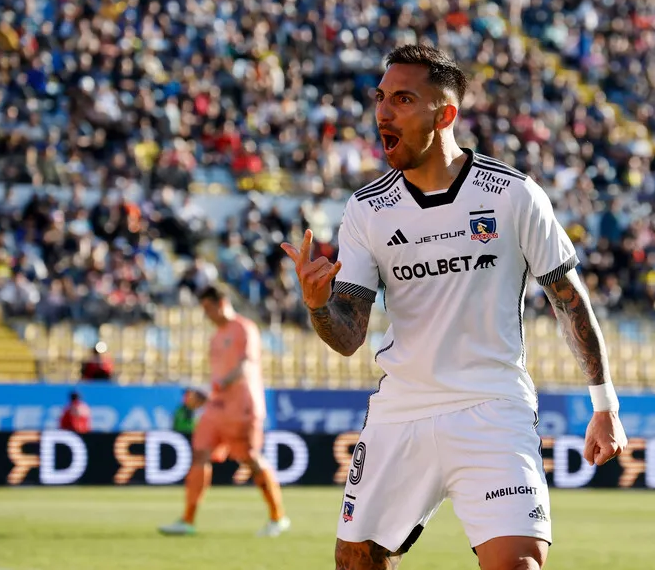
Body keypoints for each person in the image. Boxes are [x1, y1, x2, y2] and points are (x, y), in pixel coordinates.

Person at [281, 44, 628, 570]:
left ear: (444, 115)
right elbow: (348, 336)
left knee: (519, 566)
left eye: (402, 99)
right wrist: (317, 304)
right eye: (380, 97)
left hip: (493, 407)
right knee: (355, 563)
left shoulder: (513, 195)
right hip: (403, 410)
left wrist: (605, 406)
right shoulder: (367, 210)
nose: (383, 112)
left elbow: (569, 300)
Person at [158, 285, 289, 537]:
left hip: (243, 405)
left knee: (250, 458)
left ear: (221, 303)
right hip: (217, 407)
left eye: (208, 308)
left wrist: (219, 385)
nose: (206, 314)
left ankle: (277, 517)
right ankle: (187, 520)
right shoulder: (216, 337)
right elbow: (217, 378)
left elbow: (245, 365)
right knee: (200, 453)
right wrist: (205, 394)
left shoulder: (244, 328)